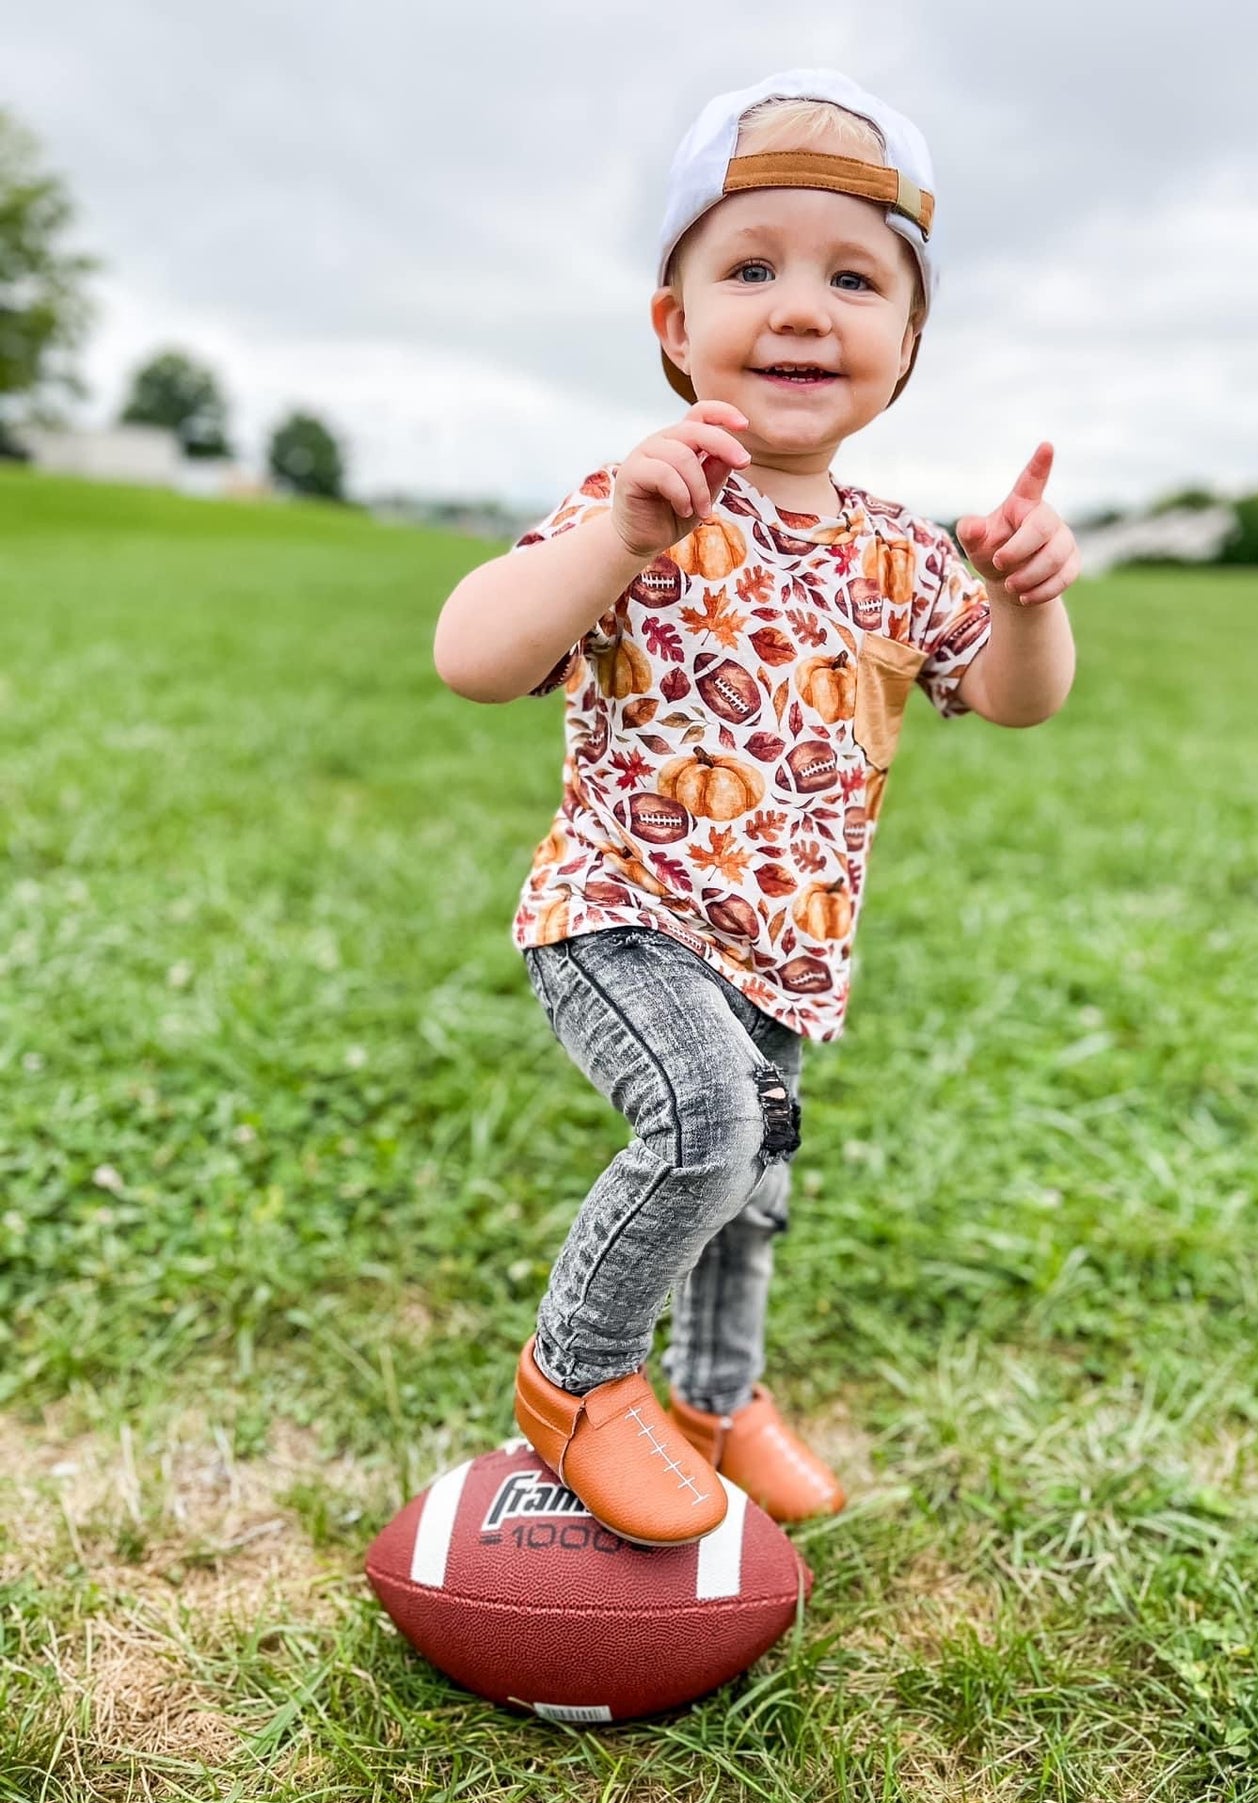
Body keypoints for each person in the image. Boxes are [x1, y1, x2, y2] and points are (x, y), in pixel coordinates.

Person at [432, 68, 1080, 1551]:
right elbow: (474, 655)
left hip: (784, 950)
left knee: (752, 1198)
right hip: (623, 914)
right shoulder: (644, 500)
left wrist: (1027, 602)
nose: (802, 308)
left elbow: (1017, 696)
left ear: (906, 344)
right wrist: (614, 539)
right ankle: (580, 1381)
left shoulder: (908, 557)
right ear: (673, 325)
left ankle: (719, 1399)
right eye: (751, 267)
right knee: (704, 1128)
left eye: (854, 278)